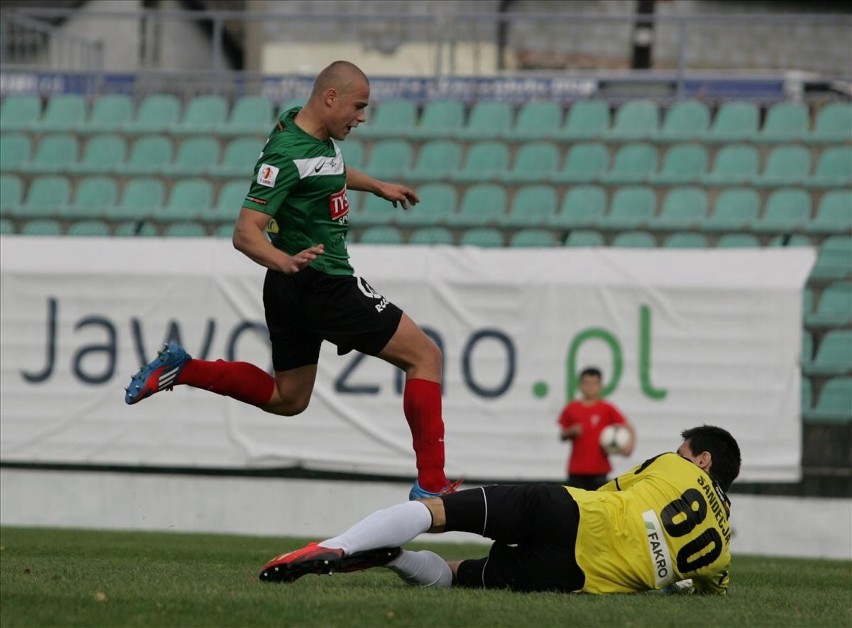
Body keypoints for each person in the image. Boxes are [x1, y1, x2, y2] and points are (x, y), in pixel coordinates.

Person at [124, 60, 458, 500]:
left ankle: (184, 369)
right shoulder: (287, 154)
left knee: (289, 398)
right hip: (321, 281)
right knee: (425, 358)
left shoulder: (299, 130)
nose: (362, 117)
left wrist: (376, 185)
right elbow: (245, 232)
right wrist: (284, 261)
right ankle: (431, 485)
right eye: (358, 107)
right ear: (330, 98)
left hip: (291, 287)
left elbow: (324, 171)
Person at [258, 425, 741, 596]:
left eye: (685, 450)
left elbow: (615, 492)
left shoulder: (672, 467)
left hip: (570, 512)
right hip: (573, 575)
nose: (679, 454)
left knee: (438, 511)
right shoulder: (721, 553)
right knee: (456, 575)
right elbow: (704, 590)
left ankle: (335, 546)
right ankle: (393, 558)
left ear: (703, 459)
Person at [557, 366, 636, 490]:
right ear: (580, 385)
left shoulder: (606, 408)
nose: (590, 387)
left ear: (601, 386)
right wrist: (570, 431)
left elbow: (629, 427)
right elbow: (562, 435)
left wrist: (629, 447)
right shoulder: (571, 408)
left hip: (600, 468)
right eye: (587, 383)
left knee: (598, 503)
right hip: (576, 469)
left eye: (594, 383)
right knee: (575, 504)